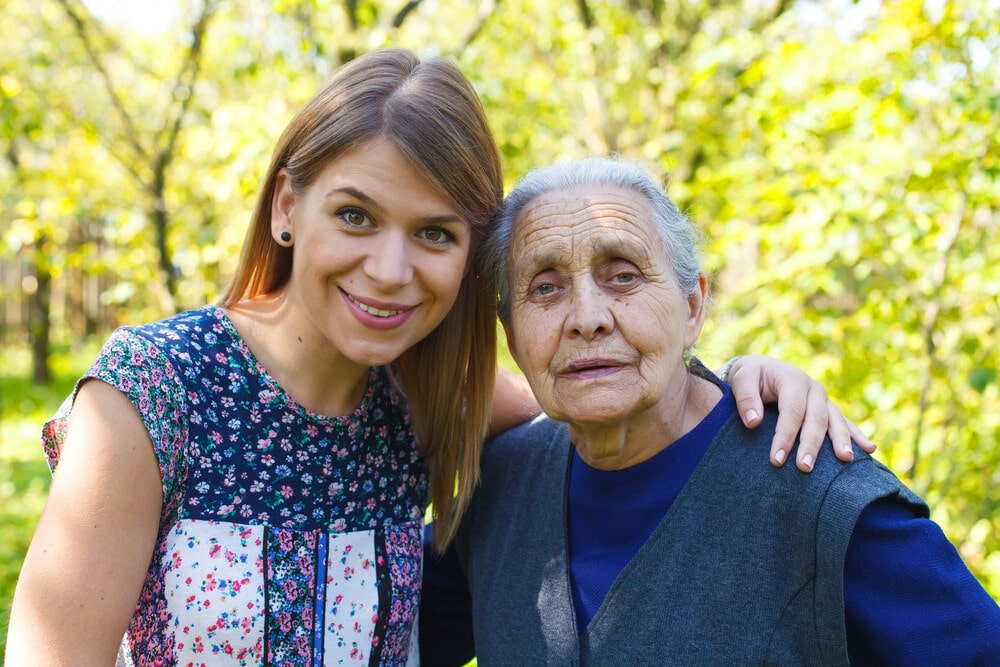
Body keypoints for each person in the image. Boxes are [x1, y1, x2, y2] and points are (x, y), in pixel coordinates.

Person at [6, 50, 869, 666]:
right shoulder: (155, 392)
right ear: (285, 207)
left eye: (433, 233)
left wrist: (751, 381)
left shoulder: (433, 403)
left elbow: (627, 399)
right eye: (354, 215)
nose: (390, 269)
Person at [424, 157, 1000, 665]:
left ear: (694, 306)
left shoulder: (819, 499)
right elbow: (367, 631)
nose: (587, 317)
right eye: (545, 288)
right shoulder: (503, 483)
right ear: (511, 333)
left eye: (622, 276)